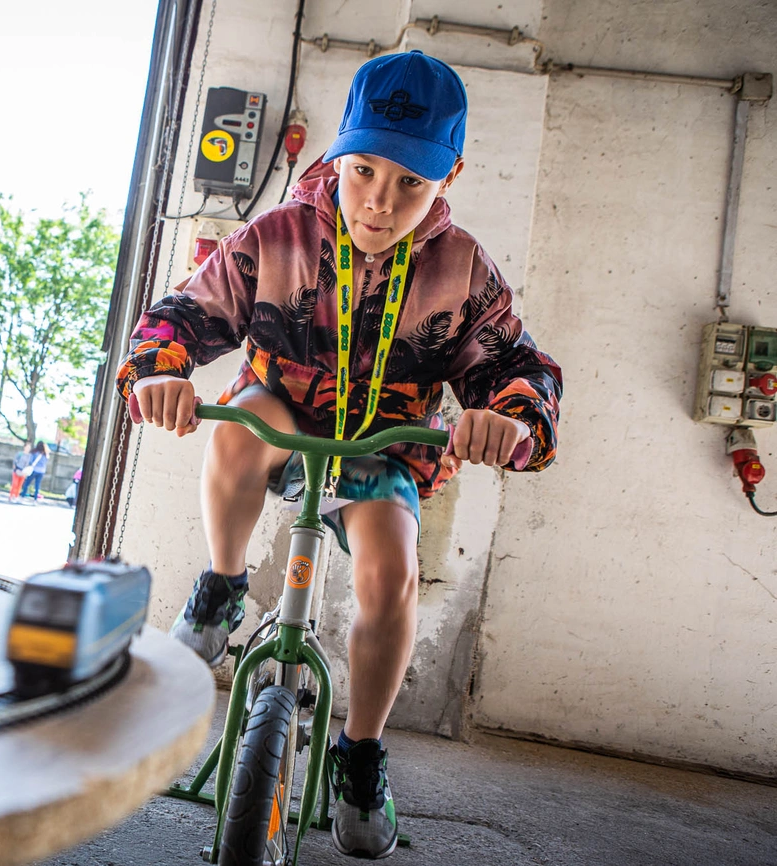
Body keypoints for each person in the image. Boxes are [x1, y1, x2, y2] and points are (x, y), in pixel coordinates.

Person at [119, 51, 561, 860]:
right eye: (363, 172)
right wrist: (161, 371)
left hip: (382, 443)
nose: (379, 203)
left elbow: (520, 370)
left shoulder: (462, 269)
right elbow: (180, 315)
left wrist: (512, 417)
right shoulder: (275, 235)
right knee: (240, 423)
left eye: (410, 185)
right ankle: (220, 587)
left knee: (390, 573)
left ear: (448, 175)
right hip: (282, 410)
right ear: (339, 151)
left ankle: (361, 753)